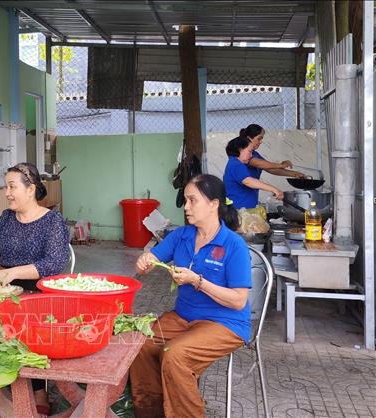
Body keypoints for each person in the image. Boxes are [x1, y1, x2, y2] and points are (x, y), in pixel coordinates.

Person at [129, 174, 252, 418]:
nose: (186, 207)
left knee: (175, 355)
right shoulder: (182, 236)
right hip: (183, 317)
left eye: (192, 200)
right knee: (139, 344)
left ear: (214, 204)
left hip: (225, 323)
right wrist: (146, 261)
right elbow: (153, 258)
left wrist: (197, 281)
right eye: (185, 200)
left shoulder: (233, 244)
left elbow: (238, 300)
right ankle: (150, 412)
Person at [0, 162, 70, 415]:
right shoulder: (6, 219)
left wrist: (11, 272)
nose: (7, 192)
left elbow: (54, 263)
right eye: (6, 187)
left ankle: (38, 391)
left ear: (31, 189)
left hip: (39, 291)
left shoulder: (52, 221)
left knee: (29, 330)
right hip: (4, 290)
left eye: (12, 186)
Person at [223, 135, 283, 209]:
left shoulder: (237, 163)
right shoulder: (235, 164)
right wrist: (274, 189)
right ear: (240, 149)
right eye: (250, 151)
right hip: (238, 212)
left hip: (243, 211)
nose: (251, 155)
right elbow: (248, 181)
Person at [240, 124, 305, 180]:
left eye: (261, 139)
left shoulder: (255, 154)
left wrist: (295, 174)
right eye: (259, 139)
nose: (260, 142)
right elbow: (258, 163)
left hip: (250, 193)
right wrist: (281, 165)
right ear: (249, 138)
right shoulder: (242, 153)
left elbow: (271, 169)